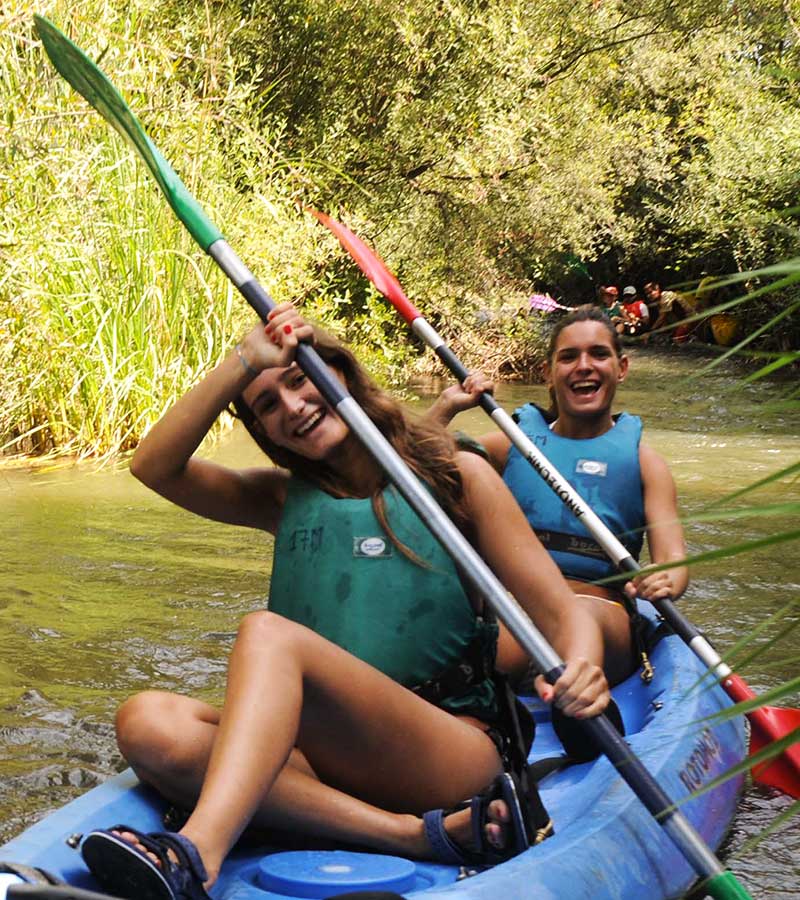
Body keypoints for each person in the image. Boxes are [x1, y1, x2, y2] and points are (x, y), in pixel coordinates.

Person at [78, 303, 614, 900]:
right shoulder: (279, 499)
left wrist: (586, 665)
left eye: (299, 380)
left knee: (267, 632)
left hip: (449, 746)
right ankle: (413, 836)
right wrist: (242, 362)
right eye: (267, 406)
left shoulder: (458, 477)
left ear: (340, 374)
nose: (293, 408)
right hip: (327, 760)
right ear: (263, 434)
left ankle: (197, 853)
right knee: (148, 722)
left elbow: (562, 614)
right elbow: (153, 467)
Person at [427, 304, 688, 691]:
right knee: (493, 633)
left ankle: (575, 696)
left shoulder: (646, 464)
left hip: (602, 611)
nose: (584, 366)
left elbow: (673, 560)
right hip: (518, 610)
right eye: (568, 357)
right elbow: (406, 460)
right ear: (549, 373)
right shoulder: (512, 444)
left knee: (575, 618)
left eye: (599, 354)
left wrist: (664, 579)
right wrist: (446, 406)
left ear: (622, 367)